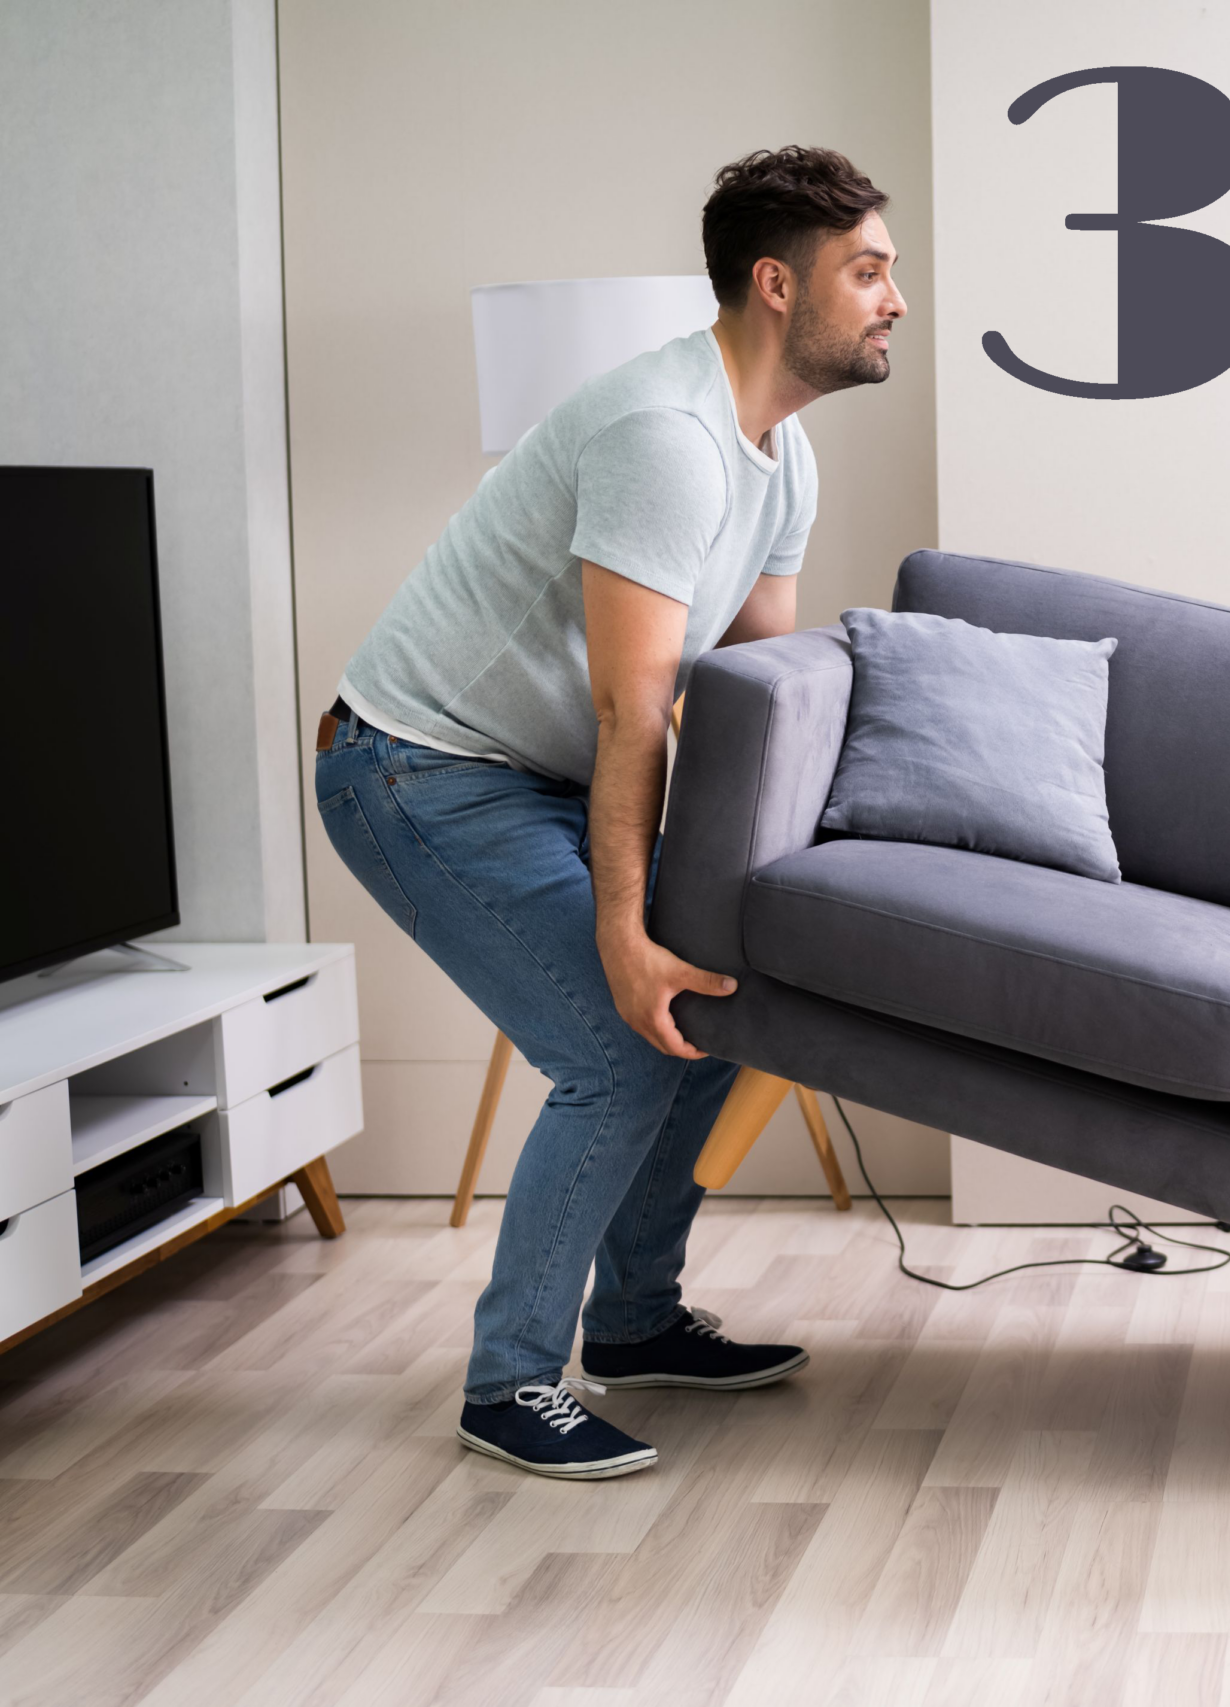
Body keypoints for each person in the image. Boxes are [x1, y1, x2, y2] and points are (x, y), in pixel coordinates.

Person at [314, 146, 907, 1480]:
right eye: (867, 271)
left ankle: (635, 1321)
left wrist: (792, 903)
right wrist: (632, 931)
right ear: (776, 283)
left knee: (714, 995)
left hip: (543, 772)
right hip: (418, 768)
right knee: (623, 1036)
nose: (894, 300)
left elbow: (744, 706)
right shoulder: (665, 438)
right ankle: (510, 1380)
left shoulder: (780, 454)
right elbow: (637, 712)